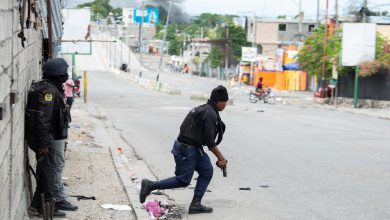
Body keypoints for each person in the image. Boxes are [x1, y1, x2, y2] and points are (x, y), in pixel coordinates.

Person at [140, 85, 229, 214]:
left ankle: (195, 204)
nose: (225, 105)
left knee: (207, 170)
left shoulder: (205, 109)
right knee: (183, 180)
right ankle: (151, 185)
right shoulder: (210, 113)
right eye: (224, 103)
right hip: (186, 149)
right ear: (218, 101)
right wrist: (221, 158)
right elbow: (210, 143)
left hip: (193, 147)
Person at [26, 58, 78, 217]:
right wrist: (43, 145)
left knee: (46, 172)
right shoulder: (48, 92)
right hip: (47, 140)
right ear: (57, 74)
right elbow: (43, 120)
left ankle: (36, 205)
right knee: (49, 173)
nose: (66, 75)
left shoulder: (52, 88)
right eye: (64, 72)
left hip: (49, 138)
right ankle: (47, 208)